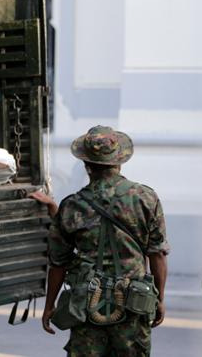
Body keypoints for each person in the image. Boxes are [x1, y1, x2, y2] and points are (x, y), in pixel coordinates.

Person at [31, 125, 169, 357]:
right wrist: (159, 299)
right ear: (120, 161)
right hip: (133, 304)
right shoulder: (146, 198)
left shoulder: (72, 205)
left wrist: (49, 306)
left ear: (86, 165)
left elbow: (58, 263)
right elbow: (157, 254)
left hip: (87, 305)